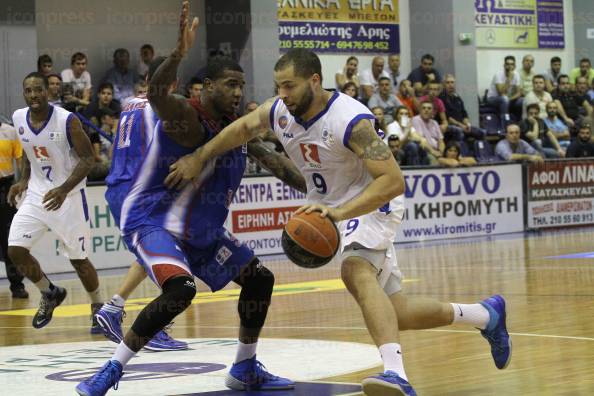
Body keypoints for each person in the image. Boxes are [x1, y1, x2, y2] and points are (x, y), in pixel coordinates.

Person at [167, 47, 511, 395]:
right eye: (278, 86)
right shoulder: (279, 111)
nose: (282, 94)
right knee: (398, 313)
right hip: (331, 207)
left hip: (371, 203)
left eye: (289, 86)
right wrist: (199, 156)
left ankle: (396, 375)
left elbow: (392, 181)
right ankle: (486, 315)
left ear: (314, 81)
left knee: (355, 270)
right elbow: (241, 129)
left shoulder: (351, 120)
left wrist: (340, 215)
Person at [77, 3, 302, 394]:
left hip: (201, 232)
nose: (237, 92)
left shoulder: (235, 129)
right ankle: (112, 369)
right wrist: (179, 53)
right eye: (229, 84)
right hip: (153, 222)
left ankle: (245, 366)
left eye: (241, 84)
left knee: (260, 280)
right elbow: (160, 92)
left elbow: (277, 164)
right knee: (181, 289)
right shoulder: (186, 117)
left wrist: (328, 190)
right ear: (207, 87)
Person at [93, 57, 189, 352]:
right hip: (139, 190)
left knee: (156, 250)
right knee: (168, 254)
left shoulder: (129, 104)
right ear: (171, 81)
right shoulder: (162, 108)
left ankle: (112, 309)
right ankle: (153, 327)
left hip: (118, 186)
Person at [7, 72, 103, 331]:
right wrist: (24, 180)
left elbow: (88, 159)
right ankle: (49, 292)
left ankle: (98, 308)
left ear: (47, 92)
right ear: (24, 93)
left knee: (78, 260)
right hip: (37, 196)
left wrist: (63, 189)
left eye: (38, 89)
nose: (34, 95)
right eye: (28, 91)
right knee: (15, 249)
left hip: (68, 197)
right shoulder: (18, 118)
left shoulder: (67, 121)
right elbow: (29, 152)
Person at [0, 121, 28, 298]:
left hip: (4, 188)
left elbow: (20, 161)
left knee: (9, 239)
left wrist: (23, 183)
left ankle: (17, 285)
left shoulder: (10, 131)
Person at [439, 74, 486, 148]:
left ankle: (480, 154)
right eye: (447, 83)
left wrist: (467, 124)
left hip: (462, 125)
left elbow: (464, 113)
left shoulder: (457, 97)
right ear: (444, 85)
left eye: (452, 82)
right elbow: (448, 118)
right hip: (450, 126)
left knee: (482, 132)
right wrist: (461, 126)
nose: (450, 85)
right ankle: (462, 155)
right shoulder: (441, 98)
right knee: (460, 131)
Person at [486, 55, 522, 127]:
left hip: (508, 99)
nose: (509, 66)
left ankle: (520, 124)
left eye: (512, 64)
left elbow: (519, 93)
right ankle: (506, 126)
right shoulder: (498, 75)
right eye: (507, 64)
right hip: (493, 99)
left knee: (522, 100)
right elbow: (501, 93)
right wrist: (509, 79)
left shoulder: (516, 75)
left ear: (515, 66)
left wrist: (509, 99)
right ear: (504, 65)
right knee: (504, 99)